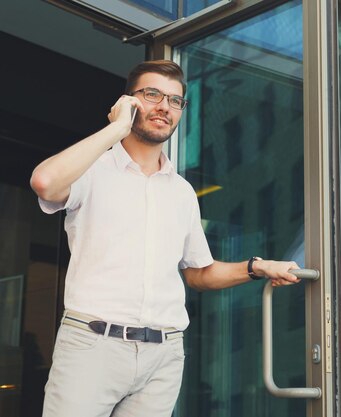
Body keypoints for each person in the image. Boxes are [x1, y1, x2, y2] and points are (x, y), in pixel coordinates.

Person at [30, 60, 300, 417]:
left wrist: (257, 267)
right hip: (93, 346)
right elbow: (45, 182)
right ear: (128, 101)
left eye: (175, 100)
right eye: (152, 94)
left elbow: (199, 273)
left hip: (164, 354)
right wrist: (116, 130)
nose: (164, 107)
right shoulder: (92, 170)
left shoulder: (182, 192)